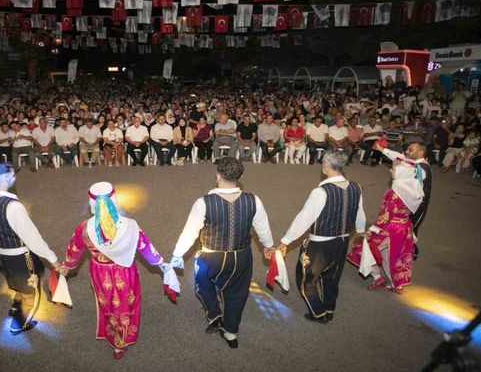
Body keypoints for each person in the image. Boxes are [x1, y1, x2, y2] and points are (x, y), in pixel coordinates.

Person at [60, 182, 173, 359]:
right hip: (125, 272)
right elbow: (145, 247)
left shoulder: (84, 229)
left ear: (91, 204)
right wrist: (161, 264)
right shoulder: (130, 226)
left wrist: (67, 266)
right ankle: (125, 335)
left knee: (108, 304)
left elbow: (74, 250)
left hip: (100, 272)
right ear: (114, 199)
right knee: (127, 303)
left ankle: (114, 338)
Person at [170, 157, 274, 348]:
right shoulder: (254, 200)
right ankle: (231, 333)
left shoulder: (203, 202)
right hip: (241, 256)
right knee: (237, 293)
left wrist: (178, 254)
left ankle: (214, 315)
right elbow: (263, 229)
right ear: (240, 176)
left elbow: (190, 231)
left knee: (203, 283)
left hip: (211, 256)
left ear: (217, 175)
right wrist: (269, 246)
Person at [269, 151, 365, 323]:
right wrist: (360, 230)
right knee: (332, 277)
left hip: (319, 246)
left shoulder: (321, 192)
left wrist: (285, 241)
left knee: (307, 279)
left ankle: (319, 312)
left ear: (327, 166)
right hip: (342, 241)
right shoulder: (356, 187)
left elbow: (304, 218)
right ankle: (330, 307)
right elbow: (359, 212)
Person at [0, 162, 63, 334]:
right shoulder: (13, 206)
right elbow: (33, 239)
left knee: (13, 277)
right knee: (32, 291)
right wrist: (54, 260)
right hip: (20, 257)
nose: (15, 178)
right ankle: (19, 324)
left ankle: (17, 299)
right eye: (13, 175)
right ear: (8, 177)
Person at [347, 158, 423, 294]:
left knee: (363, 248)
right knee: (395, 256)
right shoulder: (416, 188)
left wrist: (371, 230)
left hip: (390, 229)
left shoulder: (393, 193)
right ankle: (397, 284)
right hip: (405, 226)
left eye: (393, 169)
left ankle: (377, 276)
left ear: (401, 172)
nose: (390, 170)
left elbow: (385, 216)